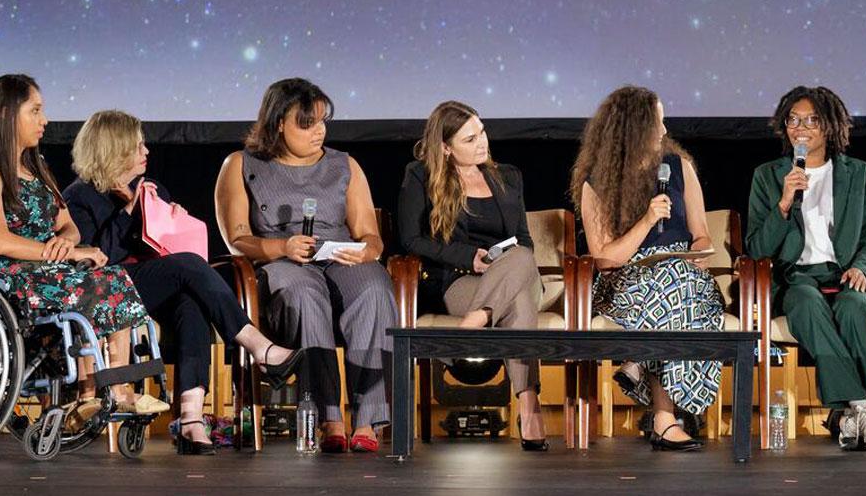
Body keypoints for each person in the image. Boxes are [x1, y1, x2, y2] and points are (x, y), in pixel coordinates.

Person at [64, 110, 306, 455]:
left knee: (190, 301)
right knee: (189, 266)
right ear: (114, 149)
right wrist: (129, 213)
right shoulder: (80, 196)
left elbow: (165, 245)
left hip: (153, 285)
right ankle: (257, 345)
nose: (146, 151)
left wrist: (172, 219)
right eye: (138, 146)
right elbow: (97, 258)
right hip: (110, 289)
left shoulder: (151, 189)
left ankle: (191, 418)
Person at [0, 74, 168, 419]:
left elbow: (68, 225)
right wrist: (67, 252)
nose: (45, 120)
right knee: (91, 287)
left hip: (47, 268)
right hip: (8, 274)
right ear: (6, 114)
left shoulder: (37, 171)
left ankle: (117, 388)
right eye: (35, 111)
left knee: (113, 278)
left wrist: (66, 241)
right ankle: (87, 393)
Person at [214, 78, 398, 454]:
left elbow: (370, 234)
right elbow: (237, 238)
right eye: (307, 123)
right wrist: (281, 246)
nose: (319, 131)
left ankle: (367, 420)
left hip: (338, 257)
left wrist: (367, 252)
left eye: (322, 121)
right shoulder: (241, 164)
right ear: (279, 122)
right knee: (304, 293)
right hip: (282, 261)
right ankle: (328, 418)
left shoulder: (344, 165)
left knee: (374, 287)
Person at [570, 85, 723, 452]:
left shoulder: (679, 167)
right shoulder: (596, 182)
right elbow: (604, 258)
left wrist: (699, 252)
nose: (665, 131)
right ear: (634, 128)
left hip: (684, 277)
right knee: (672, 288)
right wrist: (647, 220)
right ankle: (665, 417)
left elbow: (701, 234)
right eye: (658, 122)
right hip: (628, 279)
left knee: (676, 281)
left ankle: (648, 380)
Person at [744, 86, 866, 450]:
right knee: (807, 303)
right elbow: (757, 248)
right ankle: (863, 405)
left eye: (812, 120)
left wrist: (863, 268)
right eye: (793, 120)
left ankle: (847, 414)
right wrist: (783, 204)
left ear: (829, 126)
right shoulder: (767, 175)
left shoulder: (859, 173)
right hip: (795, 279)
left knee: (854, 306)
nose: (801, 128)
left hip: (845, 274)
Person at [396, 101, 549, 451]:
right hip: (460, 278)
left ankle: (473, 324)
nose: (482, 143)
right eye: (470, 139)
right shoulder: (420, 175)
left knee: (521, 256)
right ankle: (529, 403)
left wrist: (501, 261)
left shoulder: (508, 176)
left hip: (512, 272)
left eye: (482, 132)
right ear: (446, 148)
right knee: (519, 301)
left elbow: (524, 240)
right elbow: (411, 239)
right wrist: (469, 257)